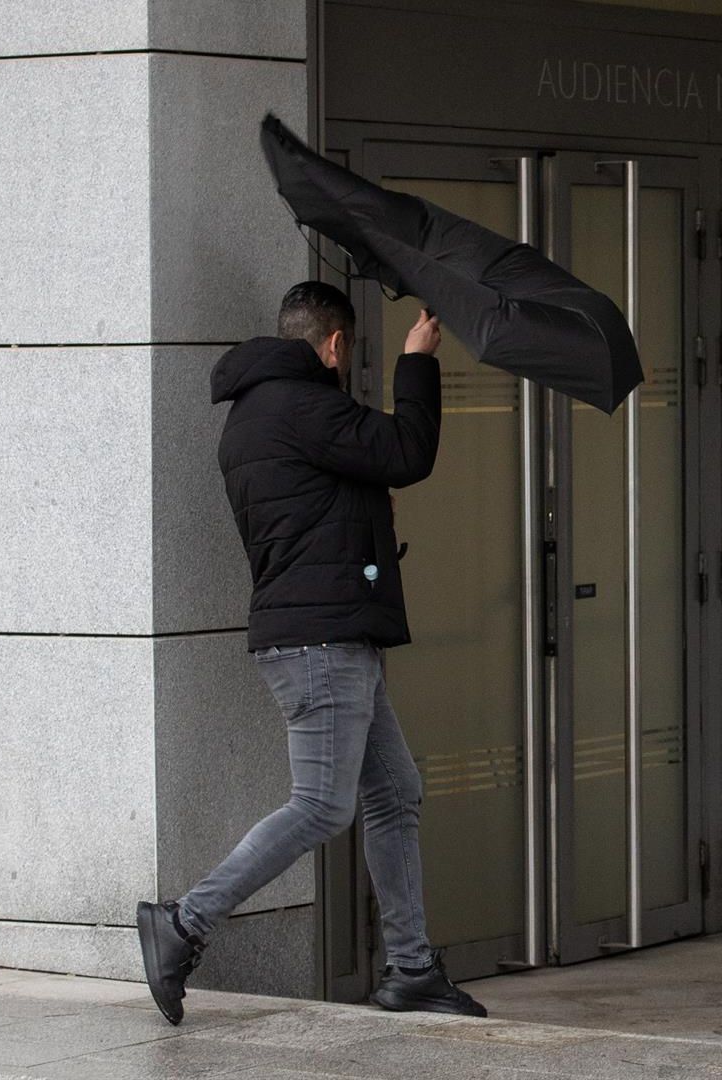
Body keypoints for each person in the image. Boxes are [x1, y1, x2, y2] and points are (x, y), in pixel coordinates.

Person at [135, 281, 487, 1025]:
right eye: (347, 351)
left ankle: (411, 968)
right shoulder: (305, 406)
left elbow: (307, 514)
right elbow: (407, 450)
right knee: (323, 804)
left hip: (323, 634)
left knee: (394, 792)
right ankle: (185, 922)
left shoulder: (254, 415)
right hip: (321, 642)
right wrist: (416, 359)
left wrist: (367, 510)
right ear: (333, 344)